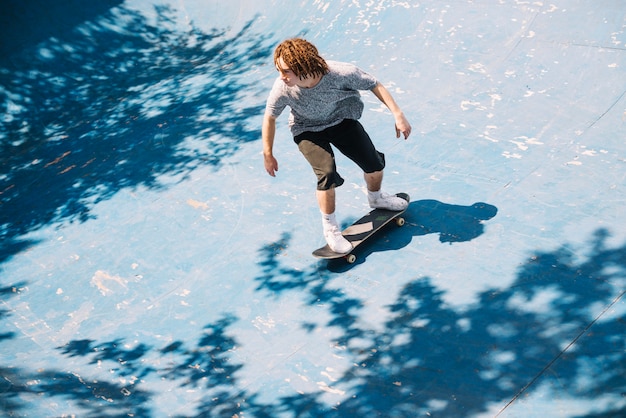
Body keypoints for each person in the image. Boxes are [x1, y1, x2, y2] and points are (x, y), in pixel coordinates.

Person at [262, 38, 411, 254]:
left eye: (285, 71)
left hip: (341, 120)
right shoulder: (283, 88)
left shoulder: (341, 73)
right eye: (279, 71)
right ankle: (331, 229)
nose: (281, 77)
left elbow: (374, 84)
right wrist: (268, 153)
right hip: (307, 130)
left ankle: (376, 197)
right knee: (327, 173)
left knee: (374, 164)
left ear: (304, 66)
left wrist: (398, 114)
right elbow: (270, 118)